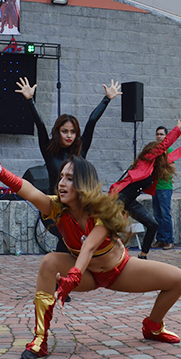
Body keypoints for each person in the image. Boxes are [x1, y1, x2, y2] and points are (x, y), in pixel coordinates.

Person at [0, 148, 181, 359]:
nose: (61, 182)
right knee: (49, 262)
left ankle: (153, 326)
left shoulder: (102, 209)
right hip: (89, 275)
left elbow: (89, 247)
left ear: (84, 184)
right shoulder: (56, 208)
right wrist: (0, 172)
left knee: (178, 279)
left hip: (120, 271)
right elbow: (31, 192)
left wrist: (72, 278)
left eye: (70, 178)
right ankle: (39, 339)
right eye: (61, 176)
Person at [15, 77, 121, 252]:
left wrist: (107, 99)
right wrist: (30, 100)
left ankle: (72, 271)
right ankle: (66, 270)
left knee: (76, 241)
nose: (69, 135)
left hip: (77, 207)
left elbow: (91, 122)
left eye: (73, 132)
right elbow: (40, 125)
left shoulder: (80, 151)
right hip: (55, 207)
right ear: (58, 132)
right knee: (67, 238)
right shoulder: (49, 151)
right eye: (65, 131)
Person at [110, 118, 181, 259]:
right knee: (110, 229)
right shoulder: (146, 158)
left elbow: (168, 159)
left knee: (153, 225)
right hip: (119, 197)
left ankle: (143, 256)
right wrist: (177, 128)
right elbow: (163, 146)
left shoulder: (153, 165)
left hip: (129, 202)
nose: (160, 154)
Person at [151, 126, 179, 250]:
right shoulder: (154, 150)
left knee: (165, 215)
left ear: (166, 136)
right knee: (157, 215)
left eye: (162, 134)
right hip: (154, 187)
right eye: (157, 134)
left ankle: (169, 240)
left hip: (164, 187)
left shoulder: (169, 150)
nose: (159, 136)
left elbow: (171, 168)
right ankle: (161, 239)